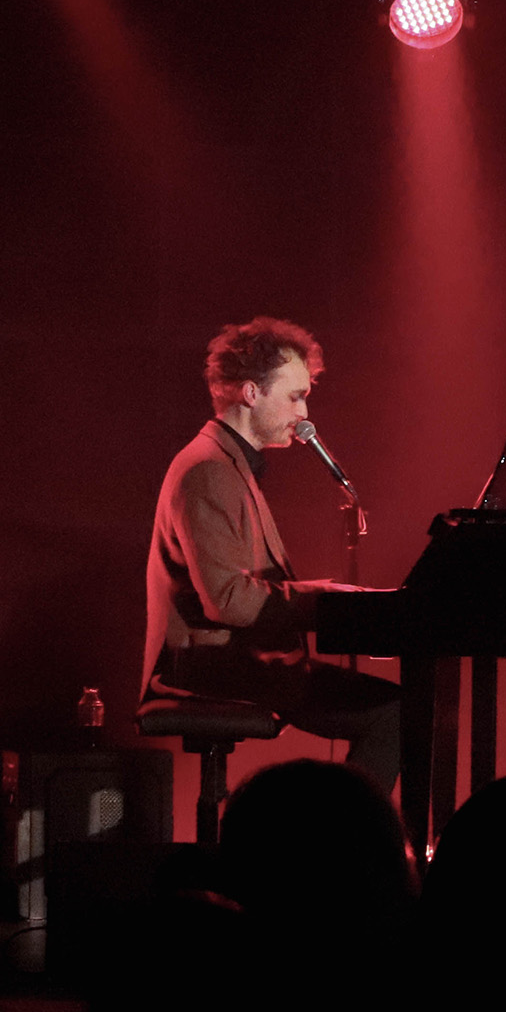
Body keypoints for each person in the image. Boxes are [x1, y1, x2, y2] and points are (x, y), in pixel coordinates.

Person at [142, 316, 401, 788]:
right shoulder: (208, 469)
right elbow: (226, 600)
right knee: (394, 714)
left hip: (242, 662)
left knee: (395, 708)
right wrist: (325, 600)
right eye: (295, 396)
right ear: (251, 393)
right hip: (214, 670)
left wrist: (333, 598)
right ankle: (343, 833)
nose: (304, 413)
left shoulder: (227, 463)